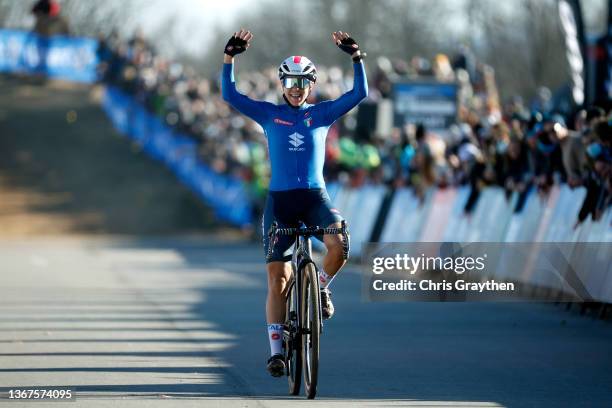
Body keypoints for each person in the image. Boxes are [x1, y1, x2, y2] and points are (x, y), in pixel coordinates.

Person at [221, 29, 367, 377]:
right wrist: (229, 58)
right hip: (281, 202)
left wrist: (356, 56)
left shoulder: (323, 113)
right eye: (291, 82)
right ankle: (276, 351)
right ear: (282, 84)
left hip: (316, 197)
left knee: (339, 243)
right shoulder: (269, 114)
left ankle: (319, 288)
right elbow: (229, 94)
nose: (297, 89)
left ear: (311, 86)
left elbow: (360, 92)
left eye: (303, 83)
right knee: (278, 278)